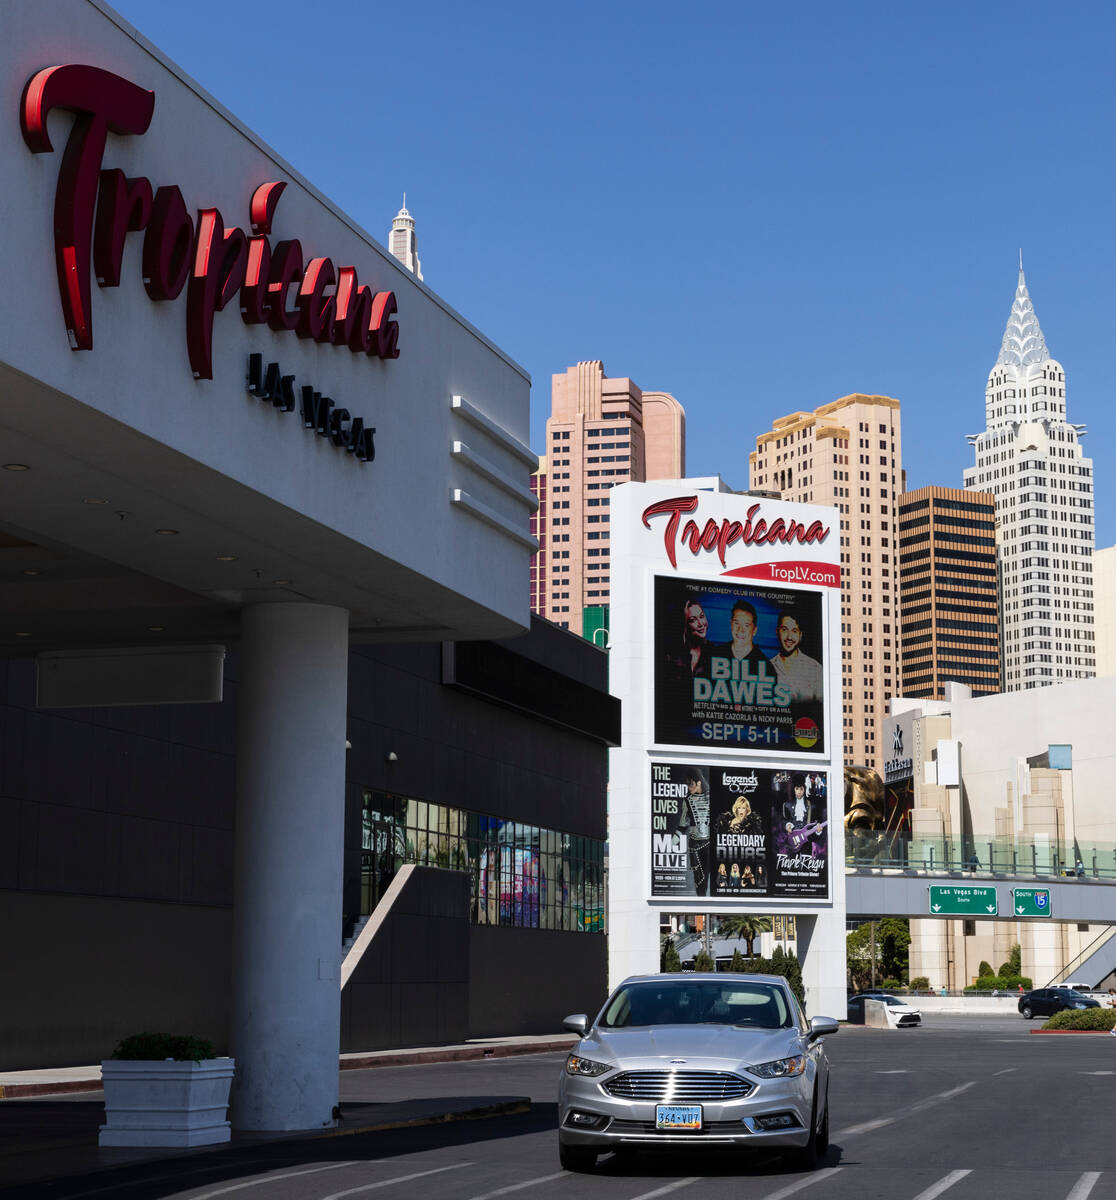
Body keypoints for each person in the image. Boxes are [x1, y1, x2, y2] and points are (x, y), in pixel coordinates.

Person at [770, 609, 824, 702]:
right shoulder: (768, 667)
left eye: (794, 631)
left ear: (800, 635)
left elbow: (820, 708)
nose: (789, 637)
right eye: (784, 630)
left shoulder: (814, 669)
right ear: (777, 632)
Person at [710, 599, 773, 674]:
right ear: (731, 624)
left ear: (754, 630)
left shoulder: (766, 667)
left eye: (746, 625)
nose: (740, 630)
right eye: (736, 623)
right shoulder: (715, 655)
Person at [678, 768, 711, 895]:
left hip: (709, 844)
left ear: (698, 783)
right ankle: (701, 908)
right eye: (687, 784)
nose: (688, 787)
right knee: (699, 879)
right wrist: (672, 842)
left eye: (690, 784)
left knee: (707, 876)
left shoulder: (711, 799)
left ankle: (706, 909)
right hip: (694, 845)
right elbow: (682, 824)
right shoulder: (687, 801)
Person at [680, 600, 714, 677]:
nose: (701, 623)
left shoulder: (713, 652)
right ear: (685, 625)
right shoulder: (672, 654)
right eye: (693, 620)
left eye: (701, 616)